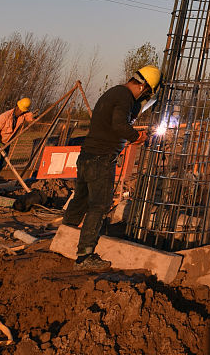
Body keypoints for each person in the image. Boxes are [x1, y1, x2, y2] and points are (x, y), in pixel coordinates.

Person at [62, 65, 160, 271]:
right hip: (101, 159)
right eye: (147, 93)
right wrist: (137, 136)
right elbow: (119, 125)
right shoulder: (124, 97)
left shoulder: (114, 92)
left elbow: (117, 121)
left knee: (80, 201)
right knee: (99, 205)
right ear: (143, 87)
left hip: (87, 156)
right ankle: (84, 257)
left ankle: (64, 240)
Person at [0, 97, 34, 178]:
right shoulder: (4, 116)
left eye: (23, 111)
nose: (21, 112)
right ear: (17, 107)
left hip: (7, 143)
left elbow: (30, 119)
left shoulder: (22, 116)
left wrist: (30, 114)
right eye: (21, 110)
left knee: (2, 163)